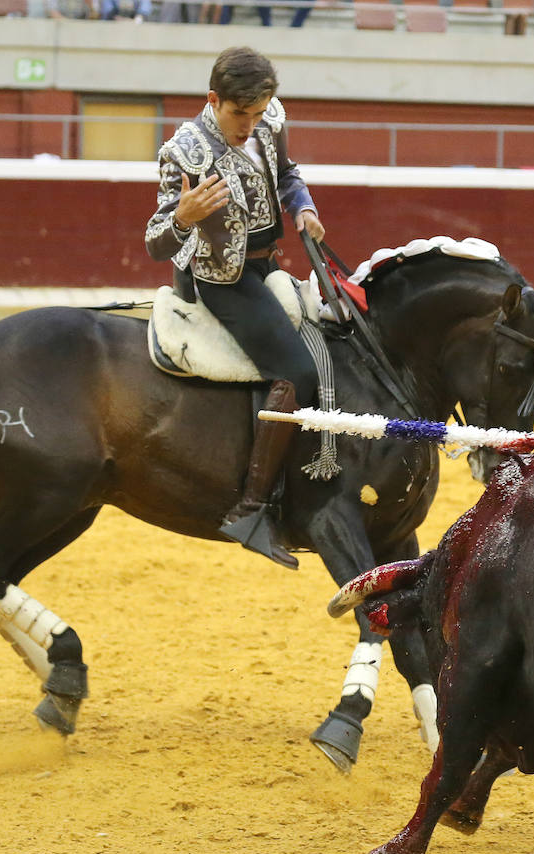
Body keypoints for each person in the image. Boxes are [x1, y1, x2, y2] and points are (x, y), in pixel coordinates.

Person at [144, 47, 323, 570]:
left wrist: (304, 207)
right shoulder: (183, 152)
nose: (250, 125)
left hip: (267, 265)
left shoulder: (269, 121)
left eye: (258, 113)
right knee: (294, 368)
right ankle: (251, 508)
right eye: (238, 114)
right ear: (213, 100)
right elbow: (156, 240)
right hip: (221, 278)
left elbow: (287, 174)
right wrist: (182, 215)